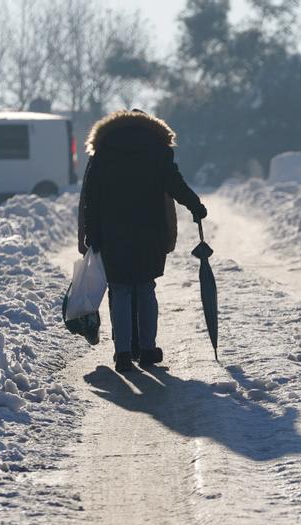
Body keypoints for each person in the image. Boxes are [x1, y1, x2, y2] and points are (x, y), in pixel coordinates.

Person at [78, 109, 207, 373]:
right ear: (148, 126)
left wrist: (90, 232)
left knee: (121, 290)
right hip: (150, 231)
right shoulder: (158, 149)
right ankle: (148, 350)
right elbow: (176, 185)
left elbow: (91, 196)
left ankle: (123, 353)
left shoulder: (104, 150)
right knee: (146, 289)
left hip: (113, 233)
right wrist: (196, 206)